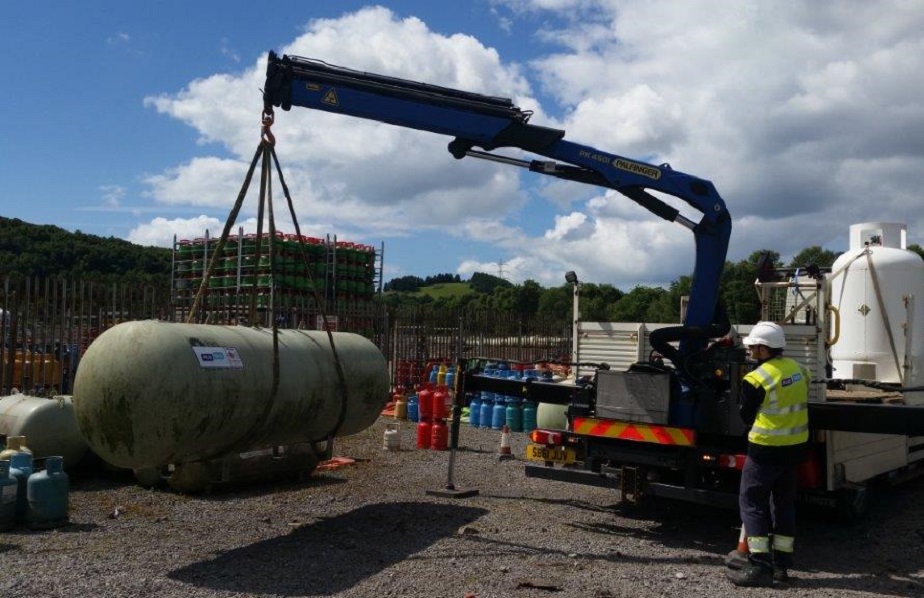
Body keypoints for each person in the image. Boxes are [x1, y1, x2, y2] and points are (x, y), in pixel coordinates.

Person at [726, 321, 810, 588]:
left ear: (764, 349)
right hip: (794, 449)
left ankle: (760, 564)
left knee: (751, 503)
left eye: (753, 346)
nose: (750, 349)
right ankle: (782, 565)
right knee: (783, 505)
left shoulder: (756, 378)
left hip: (765, 450)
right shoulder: (799, 370)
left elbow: (745, 415)